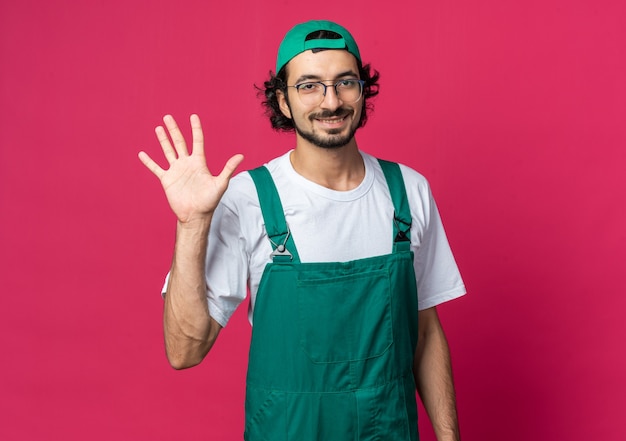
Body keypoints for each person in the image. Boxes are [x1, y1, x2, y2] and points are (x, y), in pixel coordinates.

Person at [139, 20, 466, 441]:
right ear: (283, 100)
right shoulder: (248, 199)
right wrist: (191, 223)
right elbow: (184, 351)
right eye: (309, 85)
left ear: (363, 91)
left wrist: (448, 437)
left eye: (345, 82)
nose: (331, 101)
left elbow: (425, 332)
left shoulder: (408, 191)